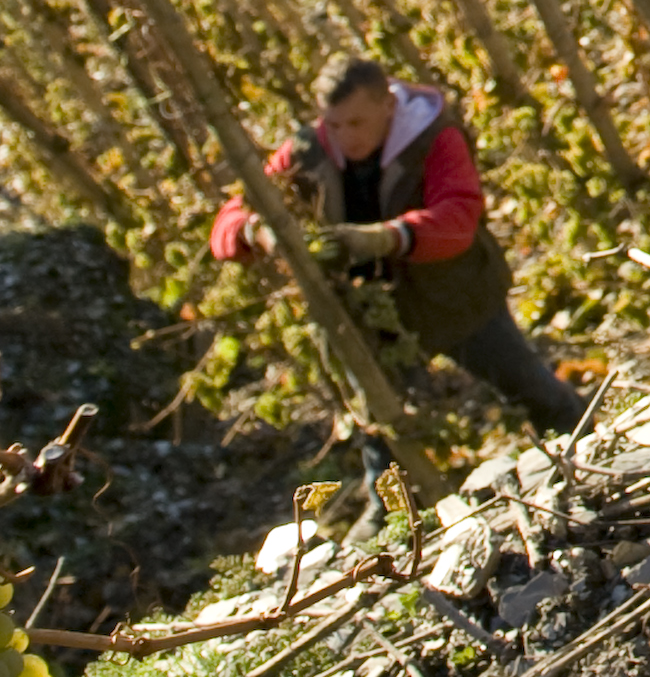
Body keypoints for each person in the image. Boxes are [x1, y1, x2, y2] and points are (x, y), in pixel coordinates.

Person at [213, 48, 587, 433]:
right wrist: (257, 232)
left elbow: (458, 217)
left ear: (388, 105)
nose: (345, 137)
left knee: (535, 394)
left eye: (357, 122)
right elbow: (228, 222)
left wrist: (383, 238)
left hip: (456, 296)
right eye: (335, 125)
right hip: (371, 319)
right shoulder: (306, 151)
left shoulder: (434, 136)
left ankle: (594, 446)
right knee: (385, 434)